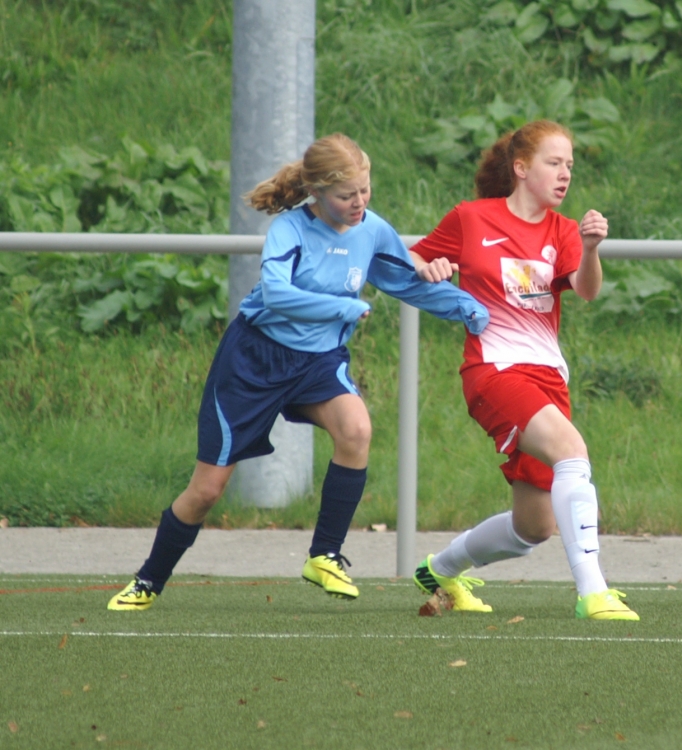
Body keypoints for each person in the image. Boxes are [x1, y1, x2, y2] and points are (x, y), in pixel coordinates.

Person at [108, 133, 487, 611]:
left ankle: (324, 554)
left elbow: (406, 283)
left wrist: (468, 309)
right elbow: (277, 295)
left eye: (365, 190)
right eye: (347, 195)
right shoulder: (289, 230)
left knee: (356, 430)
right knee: (207, 490)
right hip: (254, 361)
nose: (359, 202)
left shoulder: (371, 229)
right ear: (317, 192)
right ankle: (147, 581)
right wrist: (343, 307)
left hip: (318, 362)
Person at [408, 120, 639, 621]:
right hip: (494, 372)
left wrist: (593, 248)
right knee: (572, 451)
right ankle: (594, 592)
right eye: (554, 163)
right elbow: (410, 257)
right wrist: (427, 267)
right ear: (520, 168)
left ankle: (441, 569)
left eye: (570, 166)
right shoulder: (472, 219)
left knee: (532, 529)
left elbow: (587, 290)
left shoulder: (564, 230)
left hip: (548, 378)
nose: (565, 175)